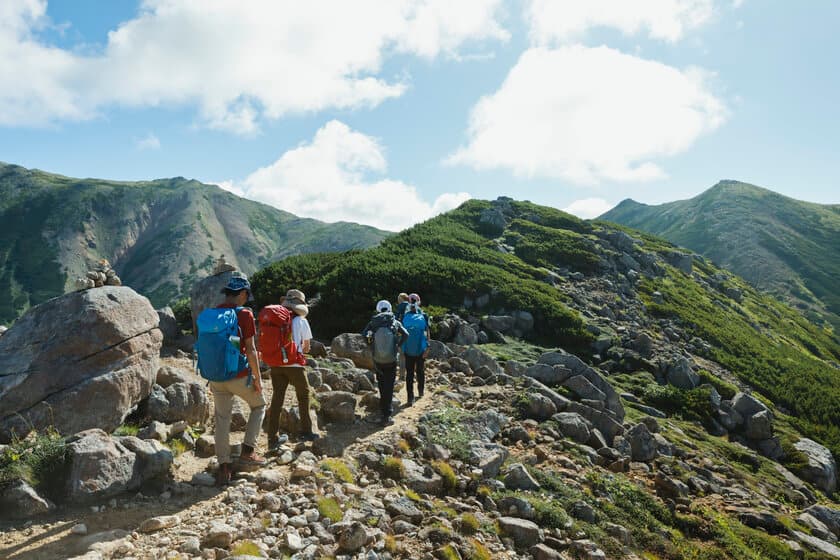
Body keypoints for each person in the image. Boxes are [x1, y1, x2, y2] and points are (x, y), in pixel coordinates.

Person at [210, 274, 266, 486]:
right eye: (246, 295)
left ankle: (224, 467)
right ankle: (248, 452)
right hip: (238, 374)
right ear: (242, 294)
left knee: (222, 419)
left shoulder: (214, 312)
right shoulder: (244, 314)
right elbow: (251, 350)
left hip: (215, 375)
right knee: (259, 405)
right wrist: (258, 378)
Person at [265, 289, 319, 446]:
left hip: (276, 364)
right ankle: (306, 432)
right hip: (295, 365)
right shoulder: (301, 321)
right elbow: (307, 347)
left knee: (277, 398)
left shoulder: (276, 320)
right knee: (304, 396)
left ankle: (272, 438)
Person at [362, 300, 408, 426]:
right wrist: (397, 345)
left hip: (378, 360)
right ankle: (387, 415)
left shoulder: (373, 322)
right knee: (389, 385)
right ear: (389, 309)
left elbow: (363, 334)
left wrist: (372, 346)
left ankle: (383, 412)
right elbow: (406, 334)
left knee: (381, 385)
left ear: (378, 309)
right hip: (392, 359)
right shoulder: (394, 321)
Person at [401, 293, 430, 406]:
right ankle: (421, 391)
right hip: (421, 348)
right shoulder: (424, 315)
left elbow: (401, 334)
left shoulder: (404, 316)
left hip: (408, 348)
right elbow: (427, 332)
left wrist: (402, 348)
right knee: (420, 371)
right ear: (419, 302)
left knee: (409, 373)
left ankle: (410, 398)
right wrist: (428, 347)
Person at [393, 293, 410, 379]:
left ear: (402, 299)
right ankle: (410, 374)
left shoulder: (401, 306)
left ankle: (402, 375)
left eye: (399, 298)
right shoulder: (413, 306)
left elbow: (395, 319)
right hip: (413, 333)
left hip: (402, 332)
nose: (398, 300)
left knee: (402, 354)